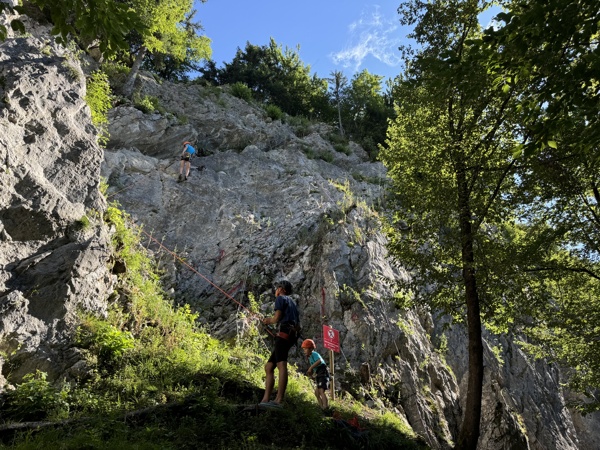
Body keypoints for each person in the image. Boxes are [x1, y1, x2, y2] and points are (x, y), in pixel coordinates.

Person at [260, 280, 299, 407]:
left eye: (277, 288)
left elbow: (276, 318)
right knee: (269, 367)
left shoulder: (281, 299)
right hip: (290, 334)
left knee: (281, 364)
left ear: (282, 289)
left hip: (284, 332)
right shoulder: (293, 303)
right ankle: (265, 400)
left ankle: (278, 400)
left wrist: (267, 321)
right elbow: (296, 325)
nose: (276, 290)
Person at [302, 339, 329, 410]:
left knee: (321, 391)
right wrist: (311, 375)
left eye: (305, 349)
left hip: (323, 373)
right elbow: (315, 369)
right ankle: (321, 407)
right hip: (319, 374)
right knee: (316, 393)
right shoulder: (310, 357)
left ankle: (325, 407)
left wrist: (310, 368)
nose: (304, 351)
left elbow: (319, 361)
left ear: (310, 349)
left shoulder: (314, 354)